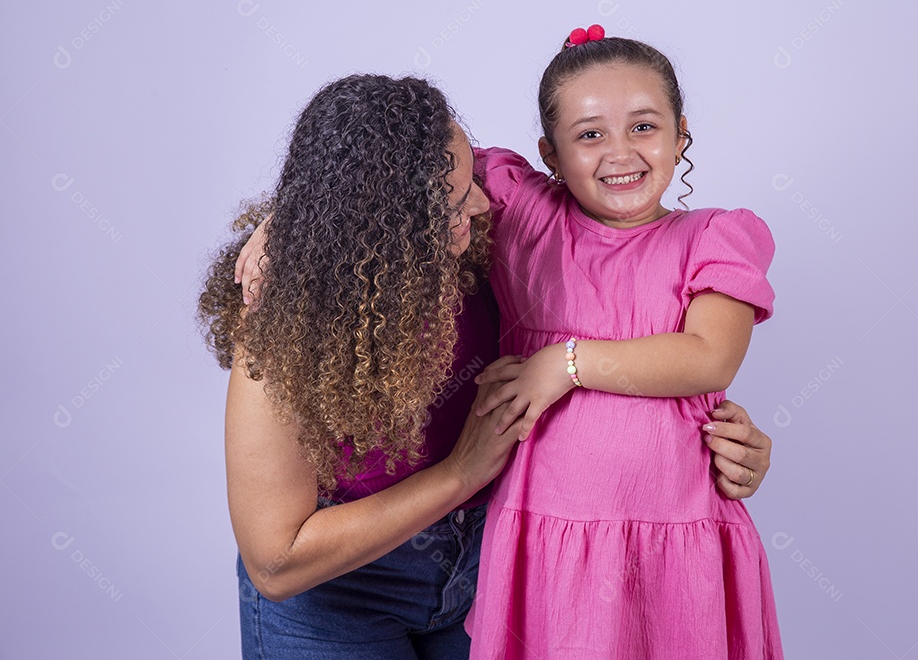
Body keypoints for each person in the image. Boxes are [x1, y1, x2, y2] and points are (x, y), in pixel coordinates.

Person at [218, 73, 776, 659]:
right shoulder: (283, 328)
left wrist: (714, 438)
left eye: (471, 184)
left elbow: (633, 341)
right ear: (394, 225)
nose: (481, 203)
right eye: (456, 200)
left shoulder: (486, 247)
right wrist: (462, 472)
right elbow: (276, 563)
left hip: (494, 561)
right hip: (345, 589)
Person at [463, 27, 784, 658]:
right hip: (543, 541)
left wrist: (566, 362)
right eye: (589, 135)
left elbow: (709, 355)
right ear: (549, 153)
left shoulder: (716, 237)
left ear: (680, 132)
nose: (621, 153)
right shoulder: (524, 215)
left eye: (644, 126)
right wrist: (279, 221)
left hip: (678, 538)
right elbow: (387, 168)